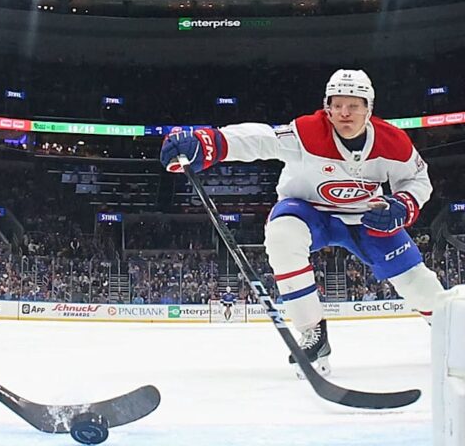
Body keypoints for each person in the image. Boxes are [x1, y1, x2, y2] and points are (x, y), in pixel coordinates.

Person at [161, 69, 442, 375]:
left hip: (367, 217)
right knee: (282, 234)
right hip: (309, 212)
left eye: (353, 105)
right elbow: (262, 140)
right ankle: (312, 332)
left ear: (368, 109)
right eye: (337, 105)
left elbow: (417, 179)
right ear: (327, 107)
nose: (344, 113)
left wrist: (403, 205)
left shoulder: (393, 141)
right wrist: (210, 142)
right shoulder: (307, 133)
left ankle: (451, 331)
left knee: (418, 283)